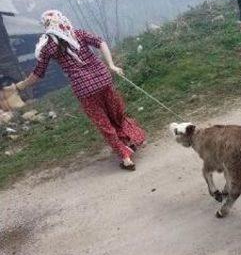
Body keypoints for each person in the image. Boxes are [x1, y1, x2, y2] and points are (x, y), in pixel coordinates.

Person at [3, 10, 145, 170]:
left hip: (84, 89)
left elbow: (37, 74)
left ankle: (126, 157)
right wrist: (111, 65)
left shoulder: (49, 47)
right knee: (116, 114)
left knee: (103, 123)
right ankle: (131, 140)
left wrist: (18, 86)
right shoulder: (78, 34)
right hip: (104, 80)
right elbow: (101, 42)